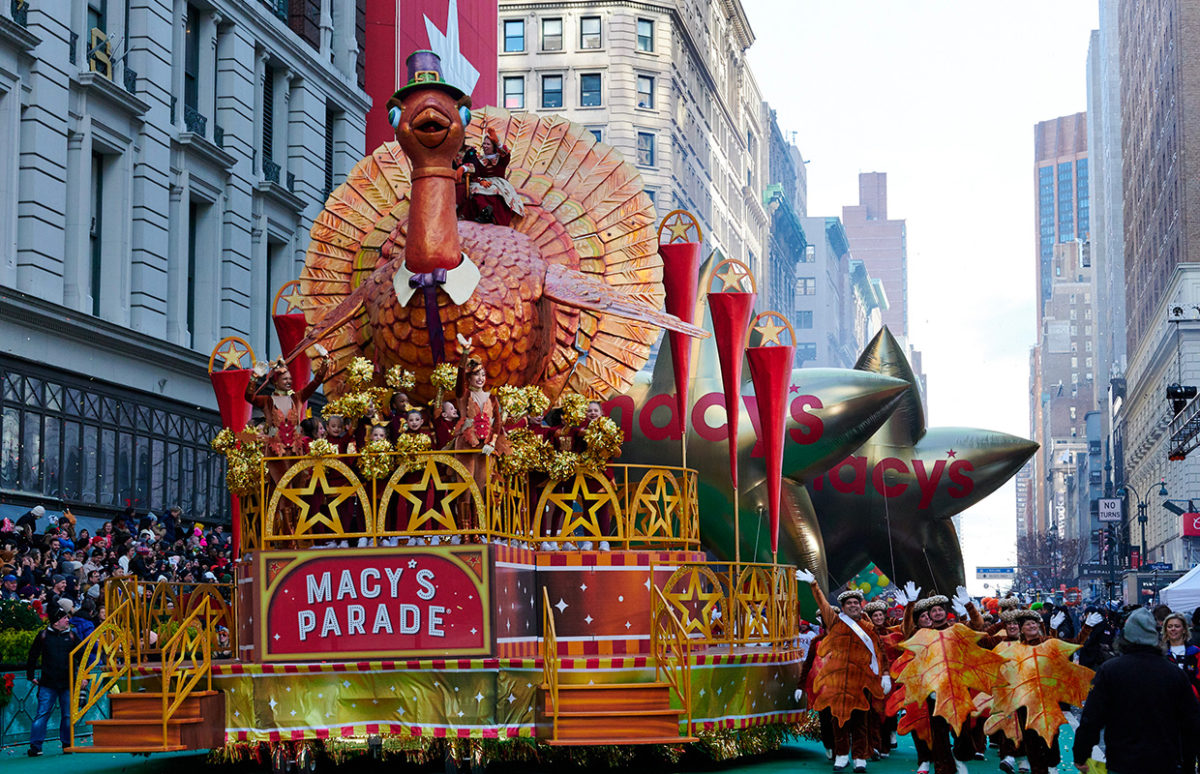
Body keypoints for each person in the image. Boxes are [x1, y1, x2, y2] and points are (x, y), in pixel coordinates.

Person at [1074, 607, 1200, 774]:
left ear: (1126, 637)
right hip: (1164, 760)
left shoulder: (1110, 670)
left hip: (1122, 760)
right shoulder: (1174, 673)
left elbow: (1092, 717)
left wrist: (1081, 754)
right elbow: (1190, 723)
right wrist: (1189, 763)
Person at [796, 569, 889, 773]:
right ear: (843, 608)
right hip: (837, 682)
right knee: (838, 719)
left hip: (861, 682)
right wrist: (814, 585)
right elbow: (822, 605)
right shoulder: (836, 624)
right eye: (849, 604)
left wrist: (885, 675)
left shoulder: (868, 628)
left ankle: (859, 757)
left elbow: (880, 653)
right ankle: (840, 755)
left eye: (856, 603)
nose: (853, 606)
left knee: (860, 721)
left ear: (860, 605)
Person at [26, 606, 82, 756]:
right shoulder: (43, 635)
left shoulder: (72, 636)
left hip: (67, 683)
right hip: (48, 683)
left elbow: (83, 656)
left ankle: (67, 744)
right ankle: (36, 746)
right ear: (56, 622)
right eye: (64, 618)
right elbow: (33, 655)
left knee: (67, 715)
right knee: (42, 713)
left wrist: (83, 677)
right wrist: (30, 675)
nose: (67, 620)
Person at [459, 127, 525, 226]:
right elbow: (474, 170)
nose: (485, 146)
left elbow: (506, 153)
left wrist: (498, 142)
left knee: (496, 191)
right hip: (482, 182)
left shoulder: (501, 159)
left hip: (498, 183)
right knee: (477, 191)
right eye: (484, 144)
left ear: (494, 146)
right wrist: (465, 170)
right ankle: (483, 213)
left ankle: (493, 216)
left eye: (488, 144)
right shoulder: (479, 159)